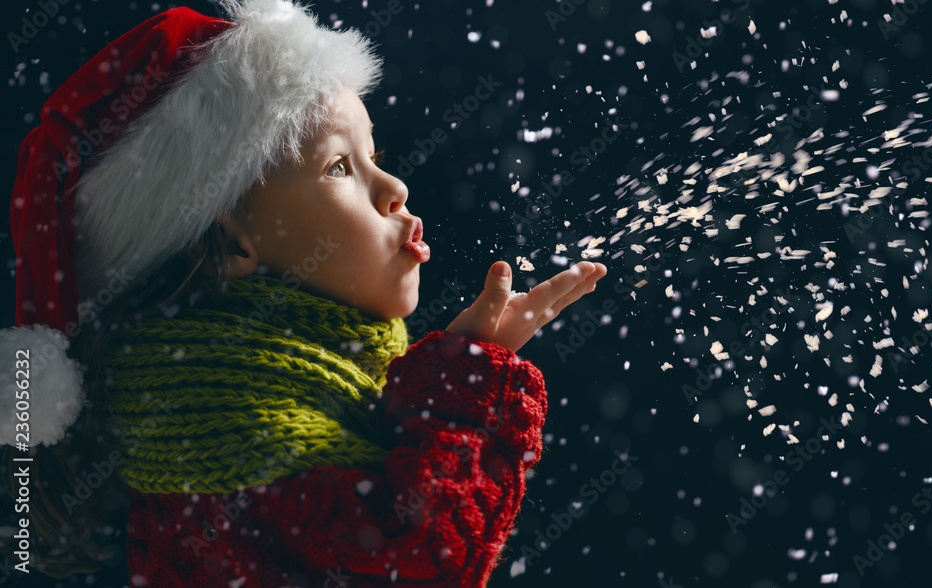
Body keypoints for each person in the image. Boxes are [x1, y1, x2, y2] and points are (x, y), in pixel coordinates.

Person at [0, 1, 607, 586]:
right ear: (233, 242)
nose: (395, 186)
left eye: (376, 156)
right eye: (340, 167)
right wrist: (464, 382)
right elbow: (425, 554)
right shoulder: (215, 417)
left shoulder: (297, 379)